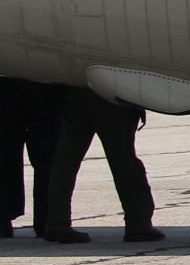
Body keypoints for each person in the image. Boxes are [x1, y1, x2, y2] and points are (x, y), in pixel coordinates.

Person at [34, 88, 159, 244]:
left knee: (65, 164)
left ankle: (57, 222)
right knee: (124, 161)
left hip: (76, 93)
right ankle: (139, 224)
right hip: (113, 96)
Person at [0, 76, 49, 237]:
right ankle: (46, 220)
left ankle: (3, 216)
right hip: (43, 82)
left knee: (6, 153)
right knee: (47, 157)